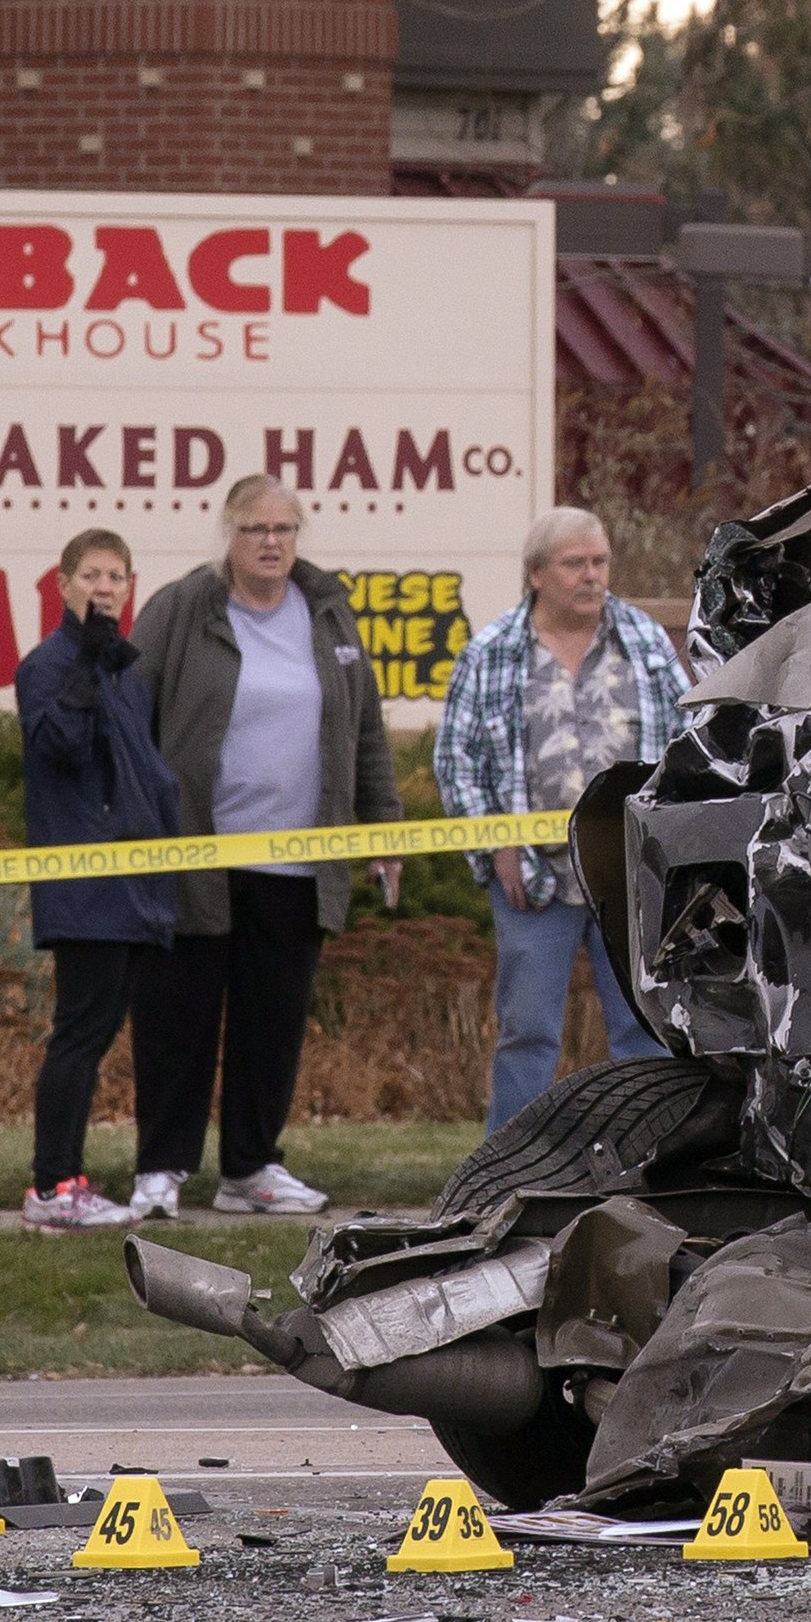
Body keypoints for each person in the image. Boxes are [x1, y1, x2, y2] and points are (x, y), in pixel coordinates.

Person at [126, 475, 402, 1216]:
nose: (271, 542)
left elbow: (364, 731)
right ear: (229, 534)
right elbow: (128, 713)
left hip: (296, 867)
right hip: (195, 860)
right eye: (255, 529)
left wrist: (384, 831)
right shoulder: (183, 608)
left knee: (271, 1025)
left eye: (284, 529)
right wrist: (130, 825)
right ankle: (162, 1168)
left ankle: (251, 1170)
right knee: (177, 1021)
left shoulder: (329, 616)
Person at [436, 505, 686, 1128]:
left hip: (631, 874)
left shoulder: (647, 644)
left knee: (644, 1028)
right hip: (532, 881)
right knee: (528, 1032)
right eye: (574, 564)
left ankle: (653, 1161)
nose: (592, 576)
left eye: (599, 562)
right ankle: (511, 1172)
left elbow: (687, 740)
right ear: (536, 574)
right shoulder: (491, 653)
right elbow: (456, 761)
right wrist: (497, 844)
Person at [13, 528, 180, 1231]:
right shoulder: (49, 666)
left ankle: (68, 1178)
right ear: (64, 585)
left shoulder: (125, 674)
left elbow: (146, 776)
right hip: (85, 883)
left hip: (136, 883)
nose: (104, 587)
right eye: (91, 575)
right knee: (78, 1032)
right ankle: (53, 1186)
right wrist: (83, 660)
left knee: (100, 1028)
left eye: (116, 576)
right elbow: (59, 749)